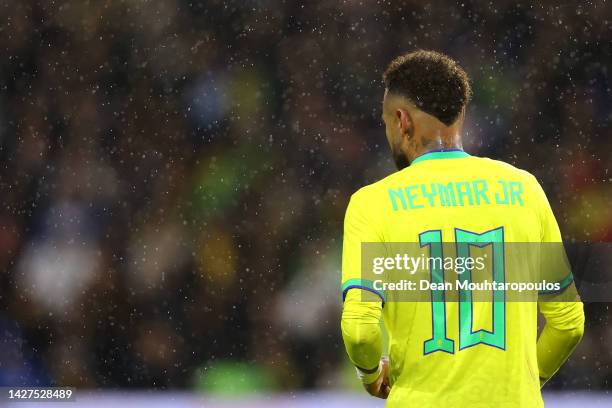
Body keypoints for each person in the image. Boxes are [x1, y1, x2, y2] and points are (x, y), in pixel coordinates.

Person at [340, 50, 584, 407]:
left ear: (401, 120)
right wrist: (526, 384)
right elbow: (568, 325)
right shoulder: (524, 189)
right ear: (461, 114)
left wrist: (371, 375)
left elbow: (360, 332)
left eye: (386, 122)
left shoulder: (374, 204)